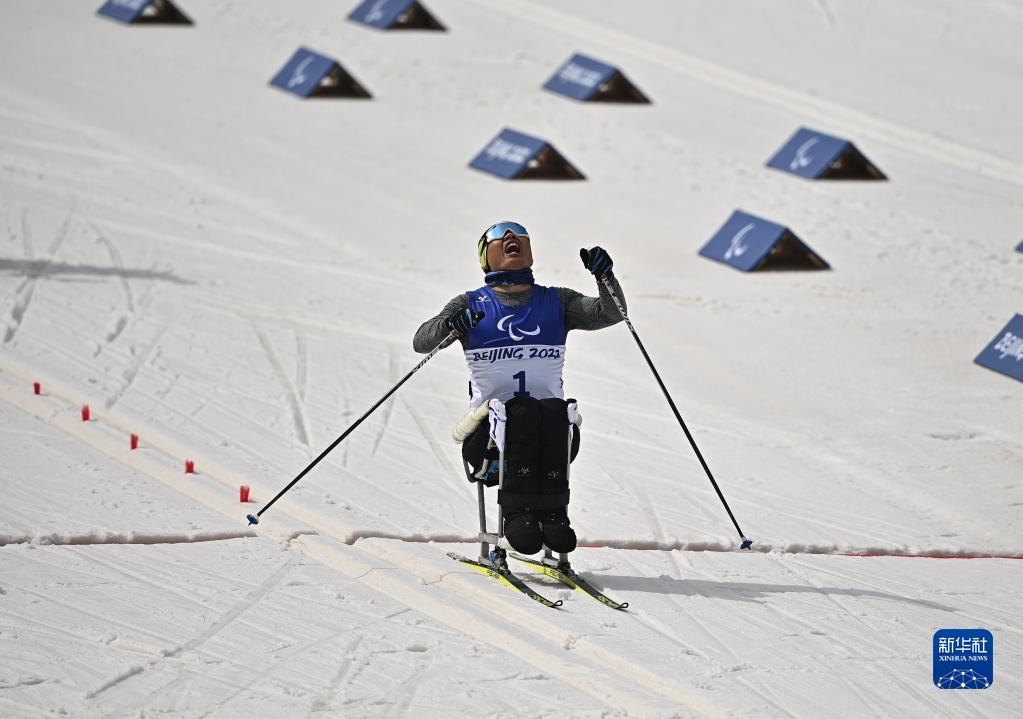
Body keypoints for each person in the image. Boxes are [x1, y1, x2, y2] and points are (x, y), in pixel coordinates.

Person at [413, 221, 625, 556]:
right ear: (487, 256)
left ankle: (553, 515)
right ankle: (517, 516)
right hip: (488, 442)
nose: (511, 237)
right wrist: (452, 325)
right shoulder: (471, 304)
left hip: (552, 435)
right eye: (501, 234)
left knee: (555, 410)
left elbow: (611, 313)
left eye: (518, 233)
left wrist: (605, 278)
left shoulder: (557, 301)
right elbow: (421, 342)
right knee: (523, 410)